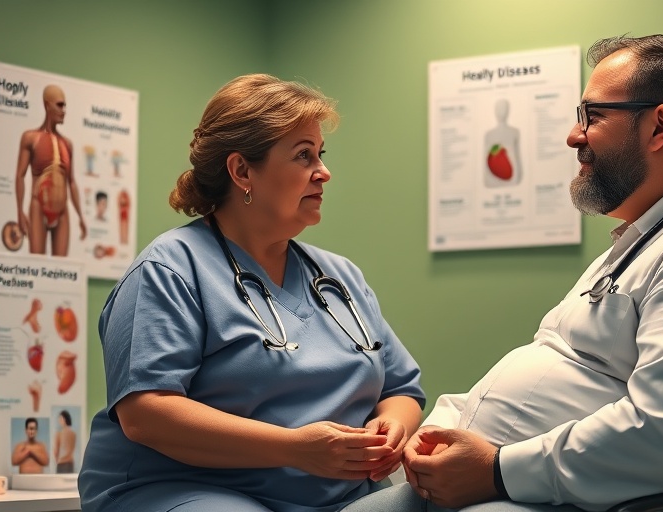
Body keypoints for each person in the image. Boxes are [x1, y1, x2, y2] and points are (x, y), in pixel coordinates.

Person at [346, 34, 663, 512]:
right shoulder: (650, 238)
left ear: (659, 126)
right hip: (519, 487)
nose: (574, 135)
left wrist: (496, 470)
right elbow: (553, 365)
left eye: (593, 116)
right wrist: (441, 432)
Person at [78, 74, 425, 512]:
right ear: (242, 171)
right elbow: (147, 413)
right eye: (303, 155)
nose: (324, 172)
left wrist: (392, 428)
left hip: (335, 497)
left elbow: (402, 388)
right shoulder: (170, 270)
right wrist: (295, 449)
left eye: (320, 154)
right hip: (185, 489)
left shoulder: (340, 277)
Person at [15, 84, 88, 256]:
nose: (64, 111)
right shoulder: (30, 138)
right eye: (60, 105)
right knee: (37, 266)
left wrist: (81, 216)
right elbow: (20, 175)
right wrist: (20, 212)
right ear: (47, 105)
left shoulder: (67, 144)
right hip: (38, 207)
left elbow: (71, 182)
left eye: (65, 106)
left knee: (61, 269)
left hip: (62, 211)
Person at [484, 99, 522, 186]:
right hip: (494, 177)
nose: (501, 112)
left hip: (512, 178)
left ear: (508, 111)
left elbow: (518, 156)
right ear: (494, 111)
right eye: (498, 109)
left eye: (504, 108)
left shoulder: (514, 132)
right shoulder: (489, 134)